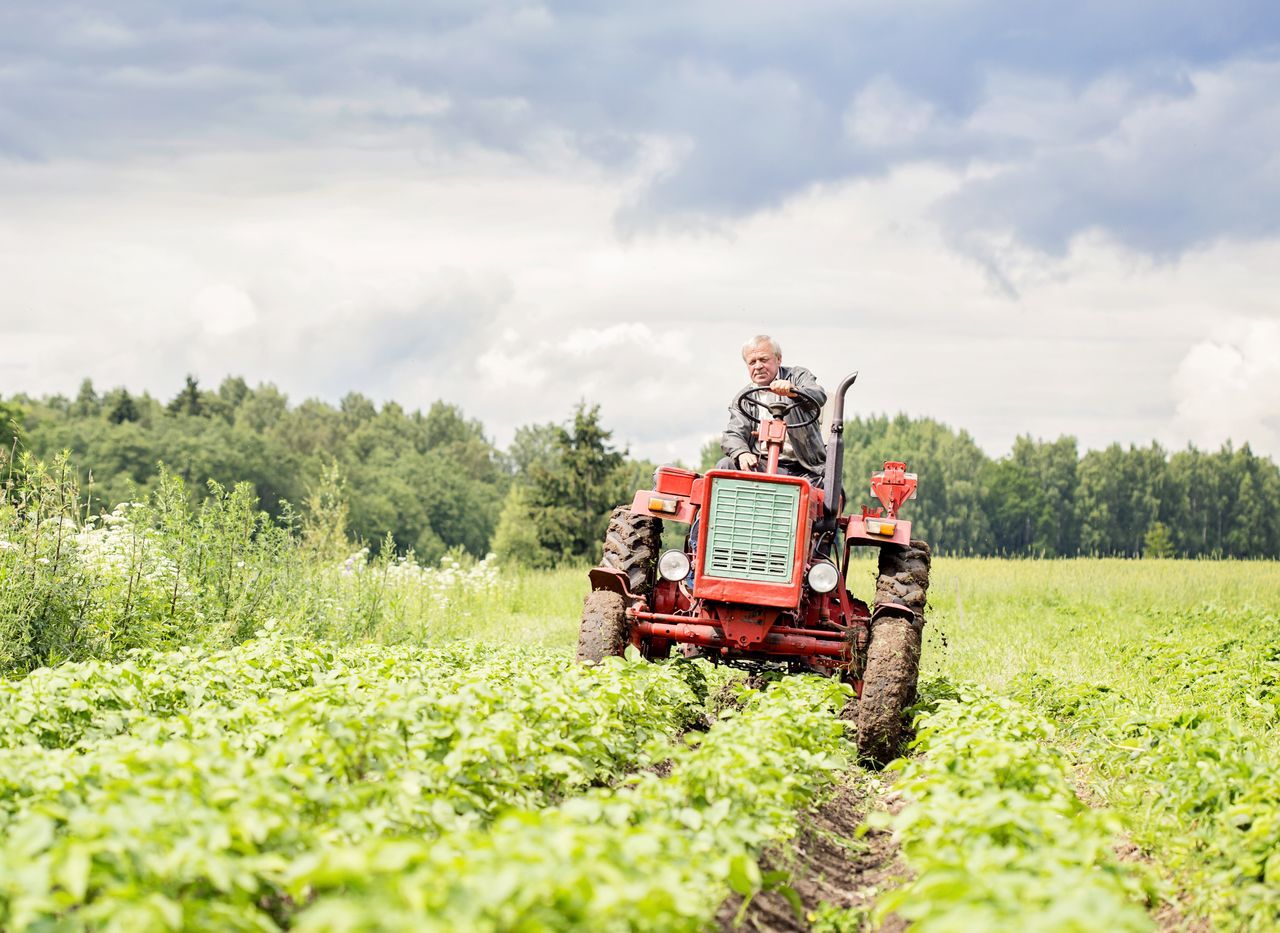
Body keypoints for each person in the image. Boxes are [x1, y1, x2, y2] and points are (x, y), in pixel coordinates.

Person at [717, 335, 827, 484]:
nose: (758, 366)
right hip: (761, 464)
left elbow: (818, 396)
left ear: (778, 359)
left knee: (826, 491)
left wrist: (793, 391)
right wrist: (741, 452)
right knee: (725, 466)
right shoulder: (744, 399)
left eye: (763, 359)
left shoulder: (798, 377)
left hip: (805, 468)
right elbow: (733, 434)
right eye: (752, 362)